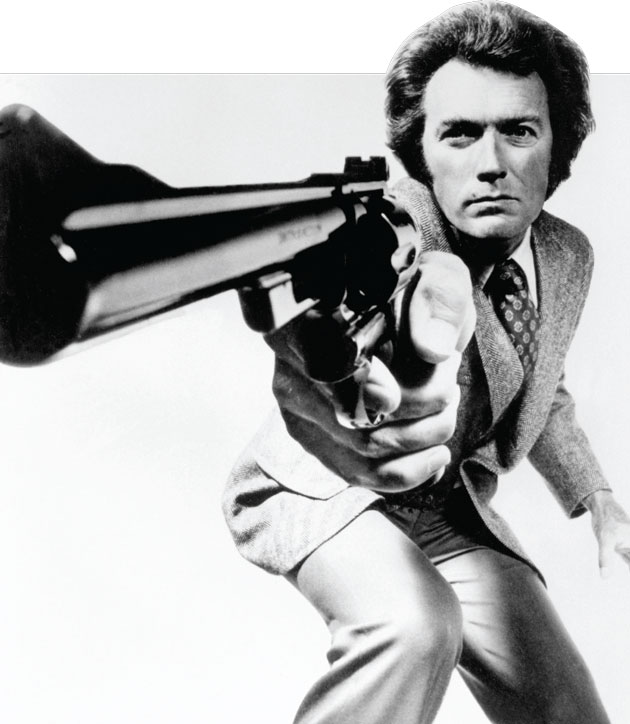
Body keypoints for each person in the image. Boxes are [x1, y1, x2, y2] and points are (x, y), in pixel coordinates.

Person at [222, 2, 630, 722]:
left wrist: (597, 497)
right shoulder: (395, 229)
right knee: (415, 624)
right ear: (422, 154)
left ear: (556, 147)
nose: (491, 164)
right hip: (328, 492)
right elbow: (333, 326)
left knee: (568, 706)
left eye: (519, 131)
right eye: (459, 134)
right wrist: (332, 364)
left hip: (447, 508)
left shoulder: (568, 255)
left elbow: (546, 388)